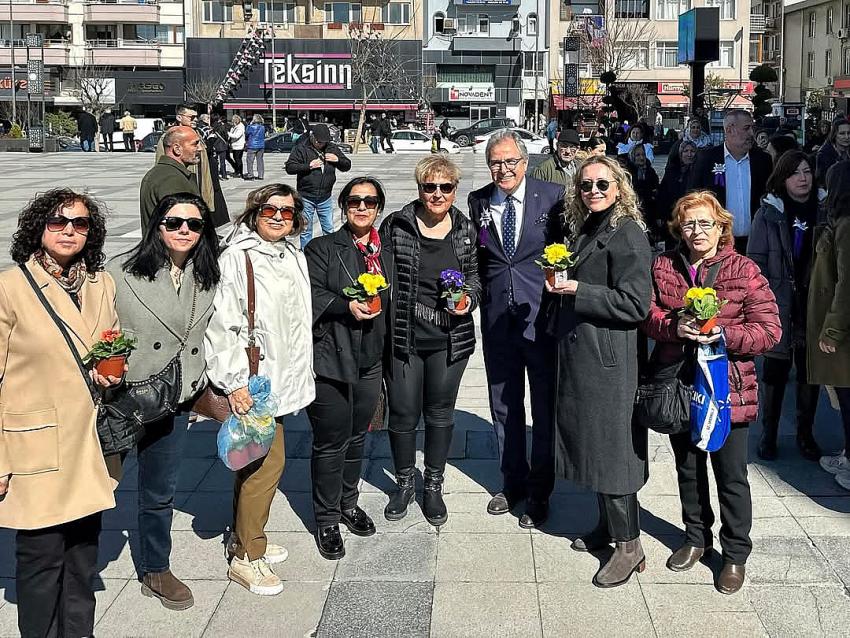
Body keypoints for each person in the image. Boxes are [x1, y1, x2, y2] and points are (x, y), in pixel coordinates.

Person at [643, 191, 780, 594]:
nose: (697, 231)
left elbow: (770, 330)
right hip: (679, 384)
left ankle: (735, 554)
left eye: (706, 223)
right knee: (688, 468)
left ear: (722, 227)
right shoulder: (664, 265)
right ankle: (696, 538)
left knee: (731, 475)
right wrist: (672, 327)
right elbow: (647, 313)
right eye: (689, 224)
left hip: (728, 390)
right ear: (678, 230)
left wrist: (726, 334)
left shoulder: (744, 270)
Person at [1, 189, 121, 638]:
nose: (69, 230)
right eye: (57, 222)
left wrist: (112, 372)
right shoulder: (10, 288)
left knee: (83, 559)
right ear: (39, 228)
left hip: (88, 443)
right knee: (40, 561)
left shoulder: (100, 283)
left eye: (80, 223)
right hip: (35, 443)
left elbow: (108, 343)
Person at [107, 192, 221, 610]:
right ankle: (73, 560)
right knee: (100, 485)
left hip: (173, 398)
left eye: (194, 224)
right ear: (157, 226)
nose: (184, 231)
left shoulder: (207, 272)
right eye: (174, 223)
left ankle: (155, 568)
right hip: (123, 397)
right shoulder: (119, 271)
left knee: (159, 490)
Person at [548, 156, 652, 588]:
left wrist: (577, 289)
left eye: (602, 183)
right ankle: (608, 527)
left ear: (619, 187)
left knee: (613, 452)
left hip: (610, 361)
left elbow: (635, 304)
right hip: (584, 355)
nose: (593, 190)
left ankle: (629, 546)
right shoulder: (591, 226)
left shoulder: (627, 233)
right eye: (586, 184)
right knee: (593, 444)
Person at [205, 184, 314, 594]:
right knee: (267, 466)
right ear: (254, 212)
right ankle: (248, 556)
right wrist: (234, 383)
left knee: (253, 459)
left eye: (287, 212)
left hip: (284, 378)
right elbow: (223, 324)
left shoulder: (293, 254)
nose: (278, 217)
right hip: (255, 381)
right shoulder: (238, 258)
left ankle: (242, 535)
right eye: (270, 209)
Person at [468, 129, 565, 528]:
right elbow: (478, 256)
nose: (503, 169)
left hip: (541, 317)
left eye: (510, 161)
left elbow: (567, 250)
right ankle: (513, 483)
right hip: (497, 321)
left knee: (543, 408)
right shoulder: (478, 201)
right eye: (496, 162)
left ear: (525, 162)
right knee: (503, 404)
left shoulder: (553, 196)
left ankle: (541, 491)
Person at [380, 156, 480, 526]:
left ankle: (433, 484)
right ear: (419, 188)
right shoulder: (398, 224)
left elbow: (476, 276)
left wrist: (469, 296)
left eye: (445, 187)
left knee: (440, 413)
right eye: (429, 187)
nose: (437, 194)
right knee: (404, 411)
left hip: (450, 338)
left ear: (455, 189)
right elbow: (378, 270)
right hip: (405, 336)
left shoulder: (466, 230)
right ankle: (405, 482)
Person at [304, 177, 392, 559]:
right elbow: (309, 291)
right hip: (332, 358)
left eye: (370, 201)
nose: (362, 207)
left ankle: (348, 503)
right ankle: (325, 519)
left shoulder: (384, 250)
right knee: (330, 441)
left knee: (359, 437)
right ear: (342, 206)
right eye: (354, 201)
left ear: (378, 208)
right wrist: (345, 305)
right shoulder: (323, 247)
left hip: (371, 359)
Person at [748, 151, 824, 461]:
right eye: (795, 173)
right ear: (783, 178)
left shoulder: (824, 207)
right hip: (779, 301)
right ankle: (770, 432)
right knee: (775, 372)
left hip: (813, 301)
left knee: (809, 371)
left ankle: (806, 434)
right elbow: (757, 261)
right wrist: (762, 301)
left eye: (806, 171)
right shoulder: (769, 212)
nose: (803, 178)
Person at [808, 161, 850, 489]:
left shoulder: (846, 225)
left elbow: (846, 284)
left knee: (847, 396)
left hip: (843, 329)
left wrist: (832, 330)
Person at [688, 109, 773, 254]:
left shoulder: (762, 160)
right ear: (729, 130)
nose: (752, 134)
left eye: (752, 128)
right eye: (747, 128)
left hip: (755, 243)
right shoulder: (707, 159)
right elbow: (692, 198)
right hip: (717, 243)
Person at [156, 105, 228, 227]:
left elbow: (205, 170)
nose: (195, 119)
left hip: (200, 192)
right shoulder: (168, 138)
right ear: (179, 117)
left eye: (196, 117)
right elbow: (161, 168)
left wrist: (208, 199)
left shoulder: (197, 135)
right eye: (192, 117)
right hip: (182, 194)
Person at [285, 123, 352, 248]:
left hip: (325, 197)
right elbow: (290, 167)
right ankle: (307, 255)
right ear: (312, 137)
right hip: (306, 196)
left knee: (328, 229)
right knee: (305, 230)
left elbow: (347, 165)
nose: (321, 145)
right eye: (319, 142)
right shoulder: (301, 148)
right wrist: (308, 166)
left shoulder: (331, 148)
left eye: (324, 142)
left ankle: (330, 253)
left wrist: (338, 160)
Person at [140, 127, 202, 233]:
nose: (199, 148)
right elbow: (179, 228)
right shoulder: (172, 179)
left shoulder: (164, 173)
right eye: (195, 144)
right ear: (177, 149)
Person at [657, 140, 698, 247]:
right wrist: (661, 215)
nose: (689, 154)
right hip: (673, 216)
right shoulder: (672, 170)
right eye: (686, 151)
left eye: (692, 151)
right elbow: (663, 194)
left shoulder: (699, 171)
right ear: (680, 153)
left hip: (691, 216)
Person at [626, 143, 660, 233]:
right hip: (634, 208)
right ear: (632, 156)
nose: (641, 158)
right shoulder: (628, 173)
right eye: (638, 155)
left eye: (643, 154)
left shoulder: (650, 171)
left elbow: (656, 187)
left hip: (650, 209)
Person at [815, 117, 850, 186]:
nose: (847, 137)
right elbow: (823, 182)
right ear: (834, 135)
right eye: (842, 133)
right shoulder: (824, 155)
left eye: (849, 133)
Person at [245, 114, 266, 181]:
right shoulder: (262, 127)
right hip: (261, 146)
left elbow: (246, 133)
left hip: (252, 145)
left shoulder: (251, 127)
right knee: (260, 161)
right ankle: (261, 175)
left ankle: (250, 175)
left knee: (250, 161)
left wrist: (249, 124)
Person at [212, 114, 230, 179]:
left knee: (215, 161)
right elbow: (226, 136)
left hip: (214, 146)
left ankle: (215, 175)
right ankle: (224, 175)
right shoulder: (222, 126)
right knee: (222, 161)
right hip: (222, 145)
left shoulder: (212, 126)